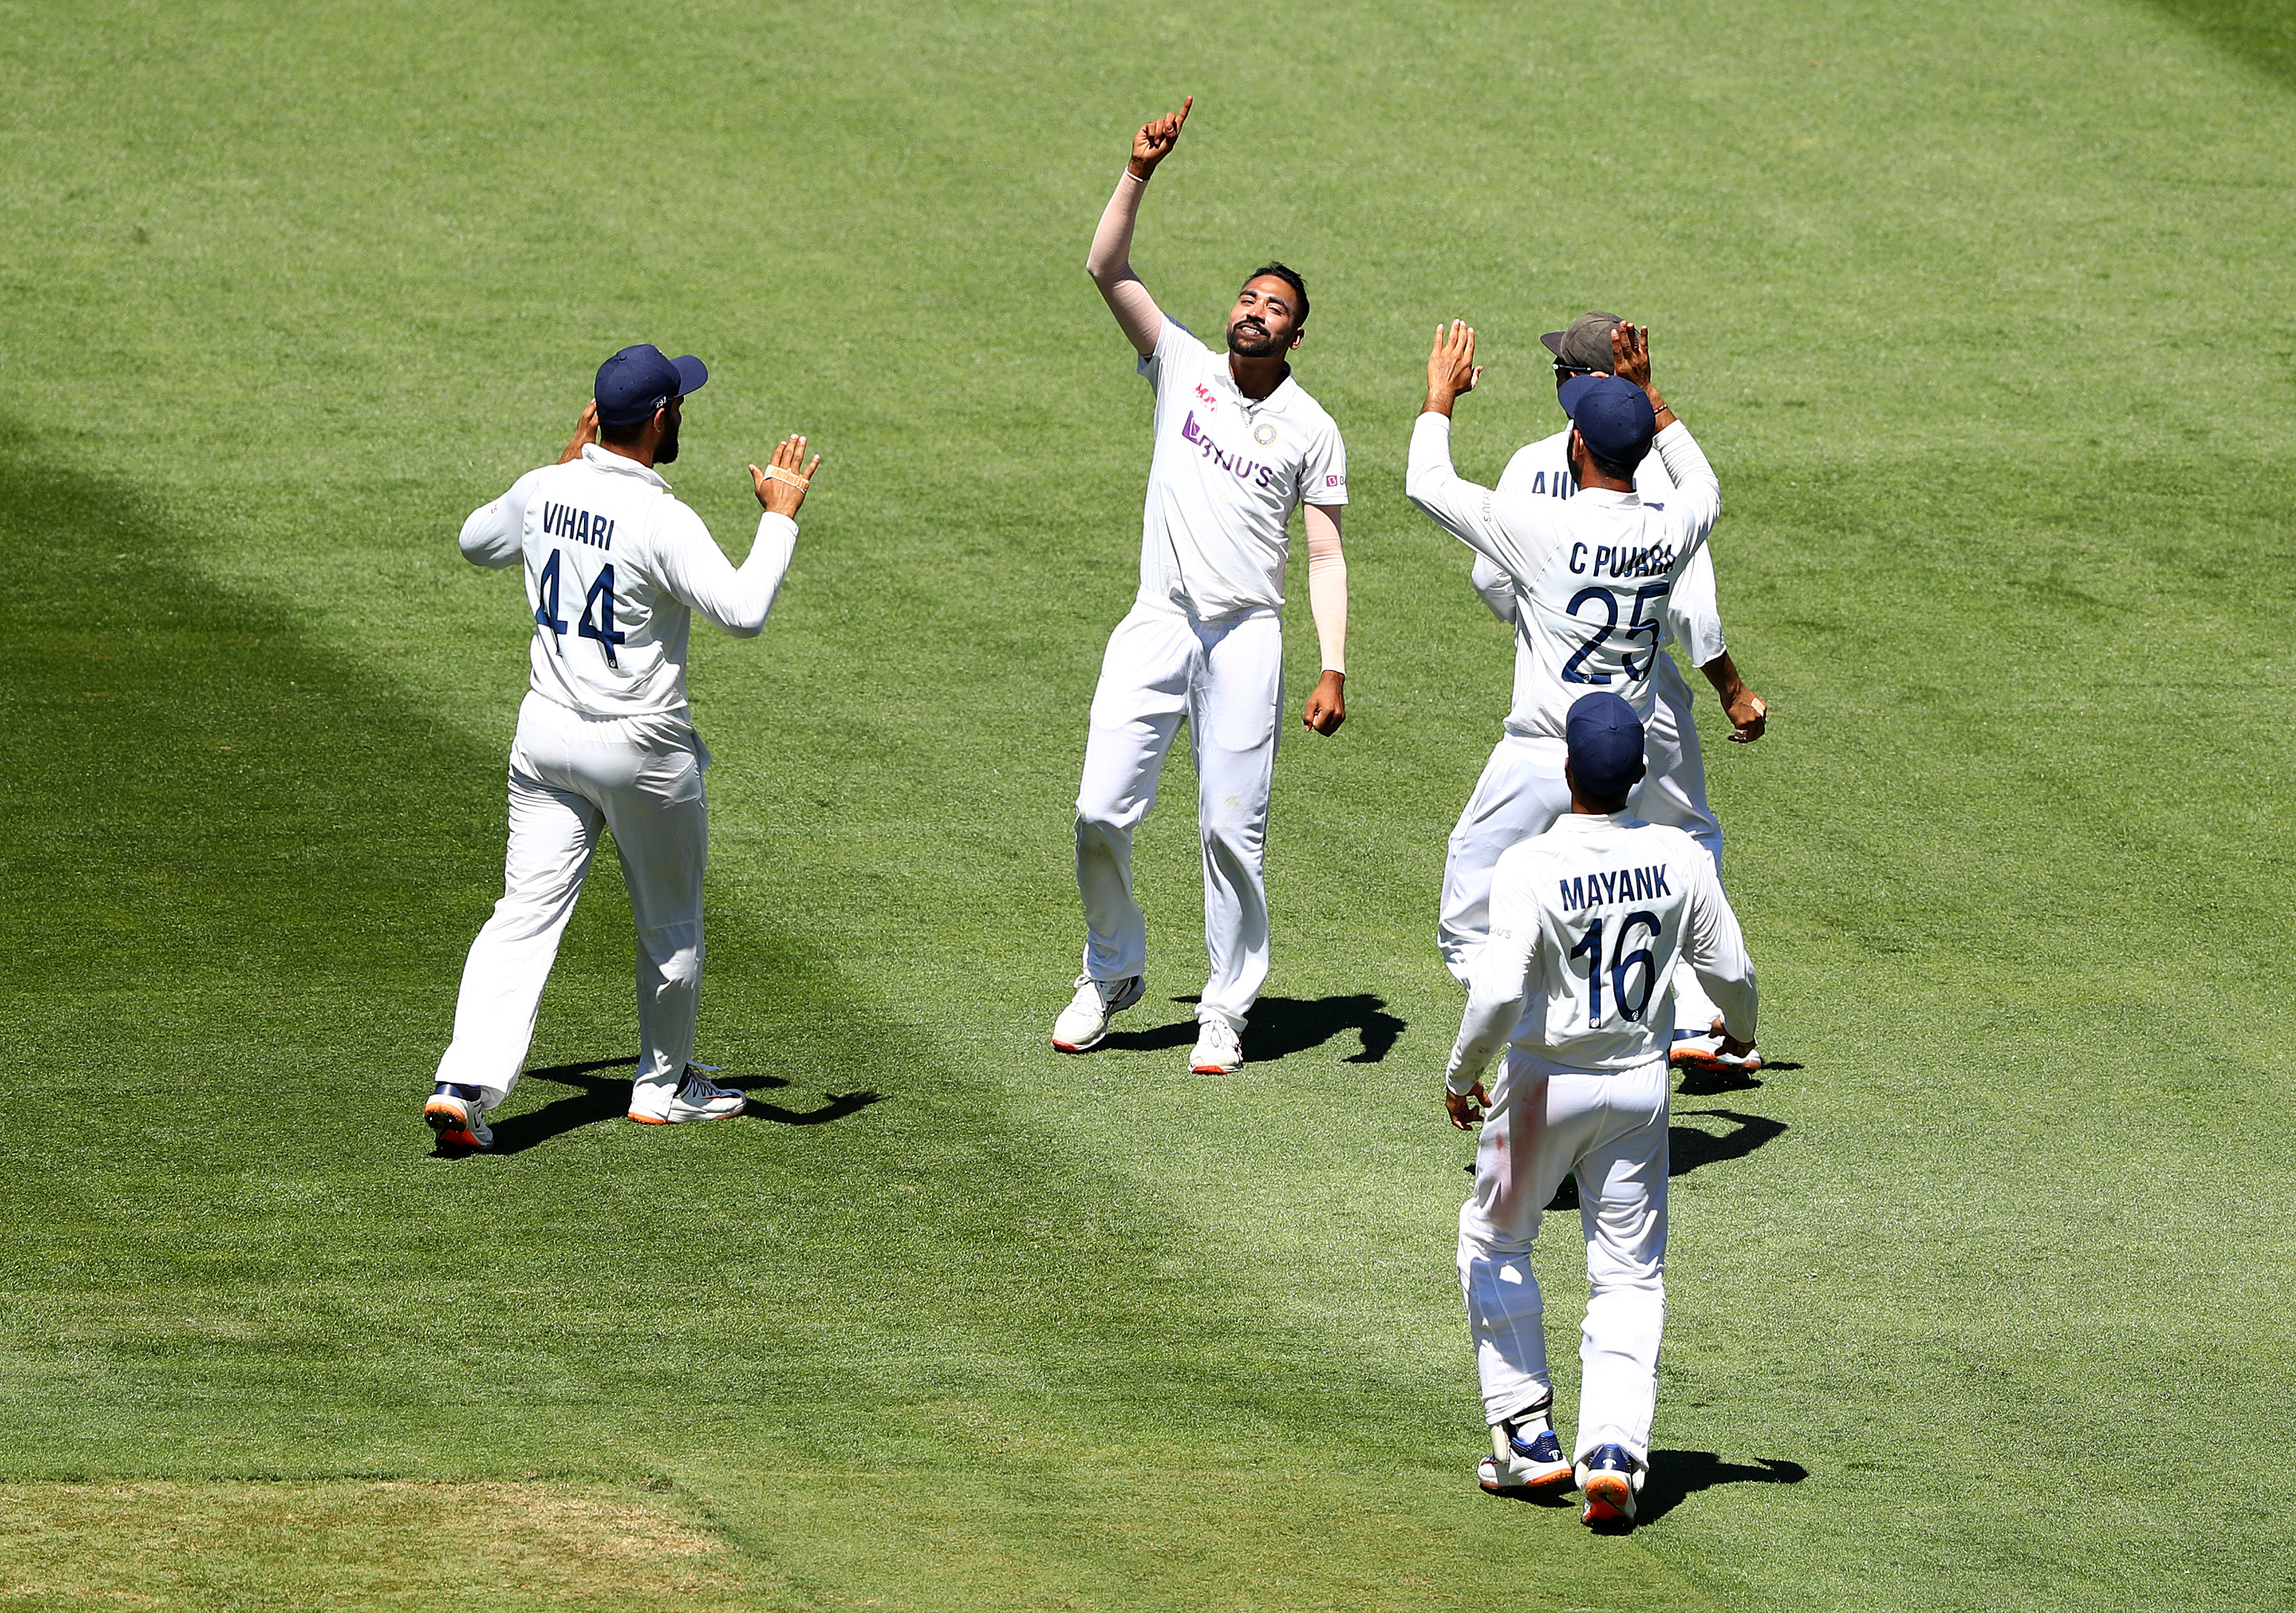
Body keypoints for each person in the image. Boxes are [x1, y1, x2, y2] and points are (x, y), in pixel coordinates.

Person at [422, 344, 822, 1150]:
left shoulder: (544, 488)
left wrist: (566, 461)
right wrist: (778, 514)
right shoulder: (659, 518)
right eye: (681, 406)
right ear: (661, 420)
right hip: (640, 750)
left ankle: (464, 1082)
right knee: (669, 925)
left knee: (523, 914)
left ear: (598, 418)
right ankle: (662, 1085)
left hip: (545, 744)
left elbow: (474, 542)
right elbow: (742, 612)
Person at [1053, 97, 1352, 1075]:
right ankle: (1113, 968)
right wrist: (1138, 169)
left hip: (1247, 638)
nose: (1254, 311)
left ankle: (1225, 1006)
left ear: (1296, 337)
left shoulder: (1312, 428)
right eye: (1248, 298)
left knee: (1232, 828)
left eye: (1275, 308)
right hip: (1158, 621)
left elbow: (1323, 555)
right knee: (1100, 810)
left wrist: (1333, 665)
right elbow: (1106, 268)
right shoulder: (1179, 362)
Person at [1443, 692, 1757, 1530]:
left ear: (1568, 770)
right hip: (1639, 1087)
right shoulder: (1676, 855)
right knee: (1626, 1274)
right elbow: (1730, 974)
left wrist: (1458, 1073)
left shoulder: (1528, 863)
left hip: (1543, 1085)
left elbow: (1500, 989)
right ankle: (1612, 1450)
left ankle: (1527, 1436)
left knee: (1495, 1239)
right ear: (1640, 772)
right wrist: (1740, 1038)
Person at [1458, 310, 1770, 1071]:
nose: (1556, 379)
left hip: (1549, 692)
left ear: (1580, 389)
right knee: (1684, 841)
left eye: (1562, 370)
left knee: (1536, 862)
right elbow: (1690, 607)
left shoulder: (1529, 463)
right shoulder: (1653, 468)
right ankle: (1697, 1016)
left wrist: (1545, 618)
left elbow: (1488, 582)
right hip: (1645, 697)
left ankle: (1551, 1006)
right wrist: (1731, 687)